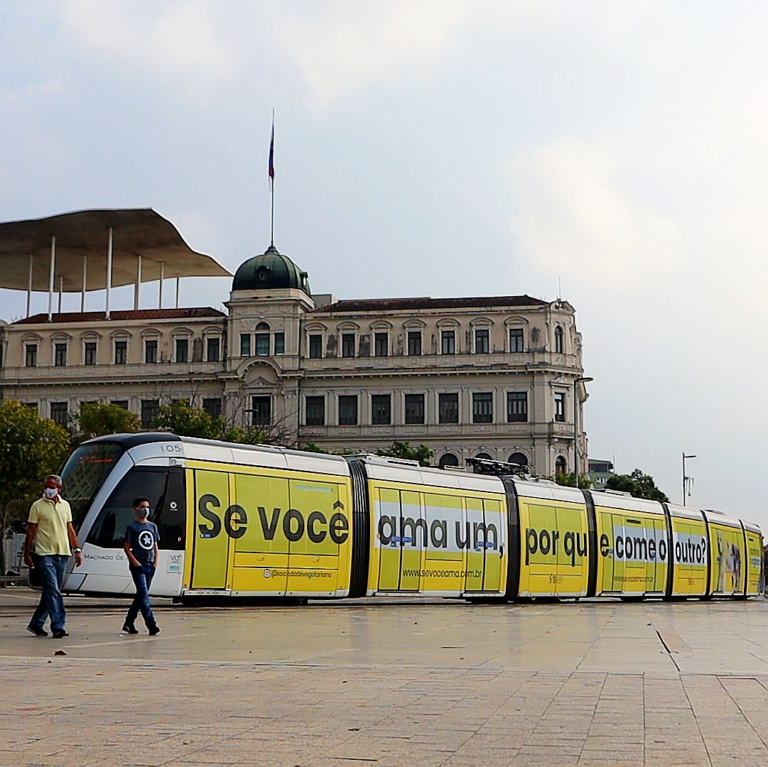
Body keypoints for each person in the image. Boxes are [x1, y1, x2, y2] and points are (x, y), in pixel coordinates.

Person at [23, 474, 83, 639]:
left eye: (51, 487)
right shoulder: (37, 506)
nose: (48, 490)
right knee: (53, 590)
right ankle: (58, 625)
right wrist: (27, 553)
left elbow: (70, 529)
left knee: (51, 591)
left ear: (59, 488)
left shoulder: (65, 506)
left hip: (62, 553)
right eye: (46, 486)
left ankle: (36, 623)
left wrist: (77, 549)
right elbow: (30, 531)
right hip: (44, 554)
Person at [122, 497, 160, 636]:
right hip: (138, 566)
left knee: (141, 596)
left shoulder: (152, 526)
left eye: (147, 507)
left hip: (150, 565)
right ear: (135, 509)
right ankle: (151, 624)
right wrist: (135, 563)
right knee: (143, 594)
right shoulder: (132, 527)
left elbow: (155, 545)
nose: (146, 510)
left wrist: (155, 563)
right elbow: (126, 547)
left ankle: (129, 621)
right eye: (143, 506)